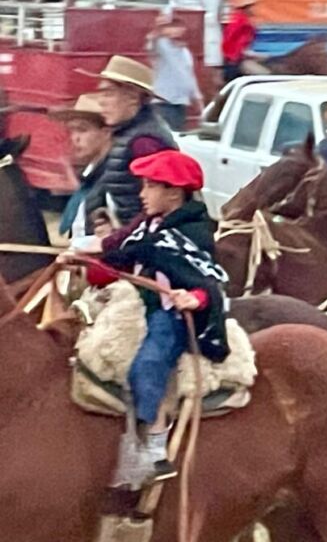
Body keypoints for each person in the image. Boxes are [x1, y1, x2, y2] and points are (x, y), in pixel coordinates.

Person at [74, 150, 229, 488]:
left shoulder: (193, 234)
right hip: (138, 305)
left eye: (149, 186)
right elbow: (119, 255)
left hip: (169, 314)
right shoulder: (147, 227)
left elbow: (208, 281)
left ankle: (154, 448)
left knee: (147, 364)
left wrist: (193, 298)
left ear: (173, 193)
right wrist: (82, 260)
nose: (141, 194)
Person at [78, 55, 177, 230]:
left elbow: (156, 211)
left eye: (108, 93)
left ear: (133, 98)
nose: (100, 101)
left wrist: (115, 241)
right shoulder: (128, 134)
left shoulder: (145, 143)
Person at [49, 93, 112, 240]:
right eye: (72, 130)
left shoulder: (113, 176)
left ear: (106, 133)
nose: (75, 138)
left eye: (82, 130)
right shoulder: (92, 174)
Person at [148, 15, 204, 131]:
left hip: (181, 102)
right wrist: (159, 29)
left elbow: (189, 76)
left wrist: (198, 100)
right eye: (174, 27)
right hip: (164, 102)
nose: (178, 31)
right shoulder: (162, 46)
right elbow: (151, 42)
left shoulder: (185, 52)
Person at [221, 0, 259, 83]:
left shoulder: (240, 20)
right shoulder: (241, 22)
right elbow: (232, 40)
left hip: (236, 57)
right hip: (235, 59)